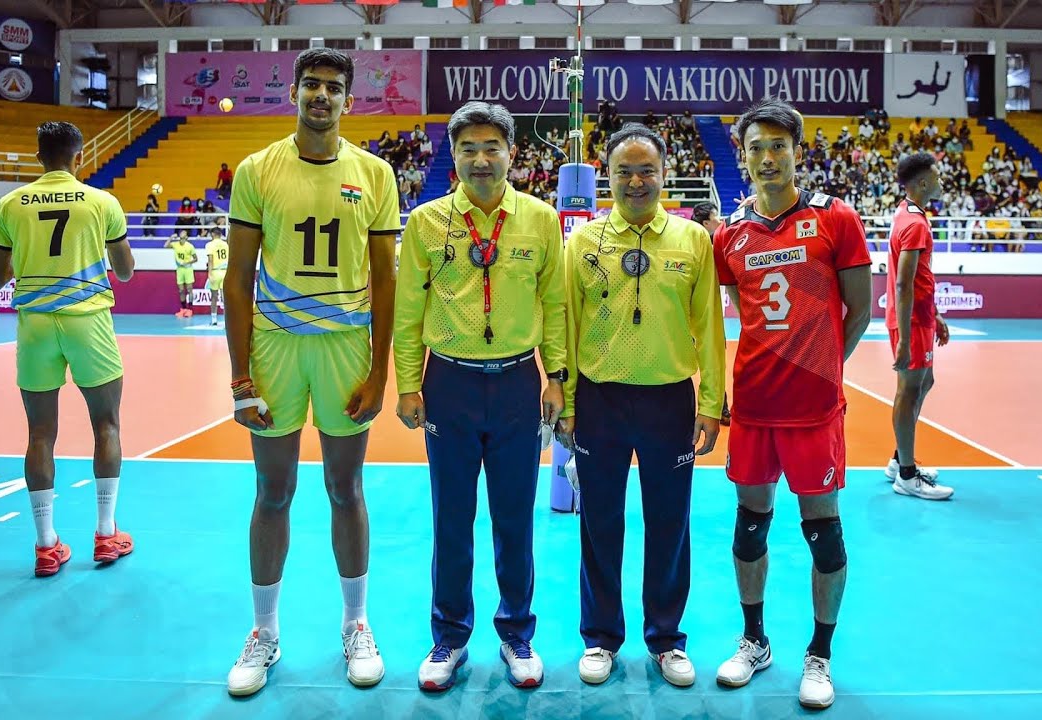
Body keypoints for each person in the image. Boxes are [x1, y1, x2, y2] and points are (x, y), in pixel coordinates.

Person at [222, 48, 401, 697]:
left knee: (345, 488)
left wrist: (380, 373)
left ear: (349, 100)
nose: (321, 95)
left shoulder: (375, 173)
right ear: (293, 92)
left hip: (345, 348)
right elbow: (237, 279)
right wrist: (239, 376)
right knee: (272, 492)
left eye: (333, 87)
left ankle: (356, 624)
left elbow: (385, 280)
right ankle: (264, 632)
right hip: (275, 351)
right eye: (311, 85)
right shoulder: (257, 170)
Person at [394, 101, 565, 692]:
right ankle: (449, 637)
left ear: (512, 154)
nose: (481, 159)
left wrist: (556, 377)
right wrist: (409, 384)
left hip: (518, 384)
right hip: (449, 385)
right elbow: (408, 312)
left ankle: (517, 633)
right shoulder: (427, 222)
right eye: (468, 148)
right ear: (454, 156)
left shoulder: (540, 219)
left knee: (515, 518)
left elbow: (555, 305)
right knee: (452, 518)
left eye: (492, 147)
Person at [709, 99, 873, 709]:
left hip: (813, 410)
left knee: (822, 533)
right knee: (750, 526)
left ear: (797, 152)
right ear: (744, 157)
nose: (767, 157)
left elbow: (862, 309)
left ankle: (820, 655)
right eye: (756, 147)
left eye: (778, 145)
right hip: (754, 406)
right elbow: (730, 311)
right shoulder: (730, 234)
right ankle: (754, 641)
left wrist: (824, 369)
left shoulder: (835, 218)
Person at [556, 122, 725, 689]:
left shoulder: (692, 240)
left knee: (670, 524)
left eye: (646, 170)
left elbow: (711, 326)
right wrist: (568, 404)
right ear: (606, 177)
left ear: (664, 174)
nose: (635, 181)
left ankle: (666, 639)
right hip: (599, 401)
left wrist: (711, 402)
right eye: (623, 171)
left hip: (669, 403)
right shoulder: (583, 243)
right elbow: (566, 327)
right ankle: (601, 637)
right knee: (599, 523)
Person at [0, 121, 137, 577]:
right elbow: (125, 271)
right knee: (106, 424)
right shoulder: (102, 202)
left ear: (39, 156)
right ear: (79, 157)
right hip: (88, 321)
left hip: (35, 326)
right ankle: (106, 533)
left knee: (39, 435)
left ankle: (46, 545)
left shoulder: (10, 204)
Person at [885, 153, 954, 500]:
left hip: (921, 317)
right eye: (936, 177)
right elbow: (903, 283)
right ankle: (907, 475)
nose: (941, 182)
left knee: (925, 382)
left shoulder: (910, 214)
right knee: (908, 390)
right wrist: (903, 338)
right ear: (923, 183)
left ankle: (900, 459)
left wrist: (935, 314)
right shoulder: (914, 224)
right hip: (910, 320)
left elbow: (920, 278)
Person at [690, 201, 731, 426]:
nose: (721, 220)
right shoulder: (706, 245)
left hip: (700, 317)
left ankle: (720, 409)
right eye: (717, 217)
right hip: (698, 318)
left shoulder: (711, 243)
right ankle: (720, 410)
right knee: (712, 364)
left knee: (711, 364)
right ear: (706, 223)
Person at [165, 229, 196, 317]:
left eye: (183, 236)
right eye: (180, 236)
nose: (181, 238)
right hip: (180, 270)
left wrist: (187, 262)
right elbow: (165, 245)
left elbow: (195, 259)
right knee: (181, 290)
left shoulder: (190, 246)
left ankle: (190, 310)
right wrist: (171, 237)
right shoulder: (176, 244)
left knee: (189, 289)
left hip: (188, 269)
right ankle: (183, 309)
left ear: (186, 237)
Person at [204, 227, 228, 326]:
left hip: (215, 272)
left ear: (212, 234)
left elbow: (210, 260)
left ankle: (214, 319)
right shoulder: (226, 244)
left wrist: (209, 274)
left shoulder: (209, 245)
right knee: (224, 298)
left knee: (214, 297)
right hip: (225, 272)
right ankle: (227, 321)